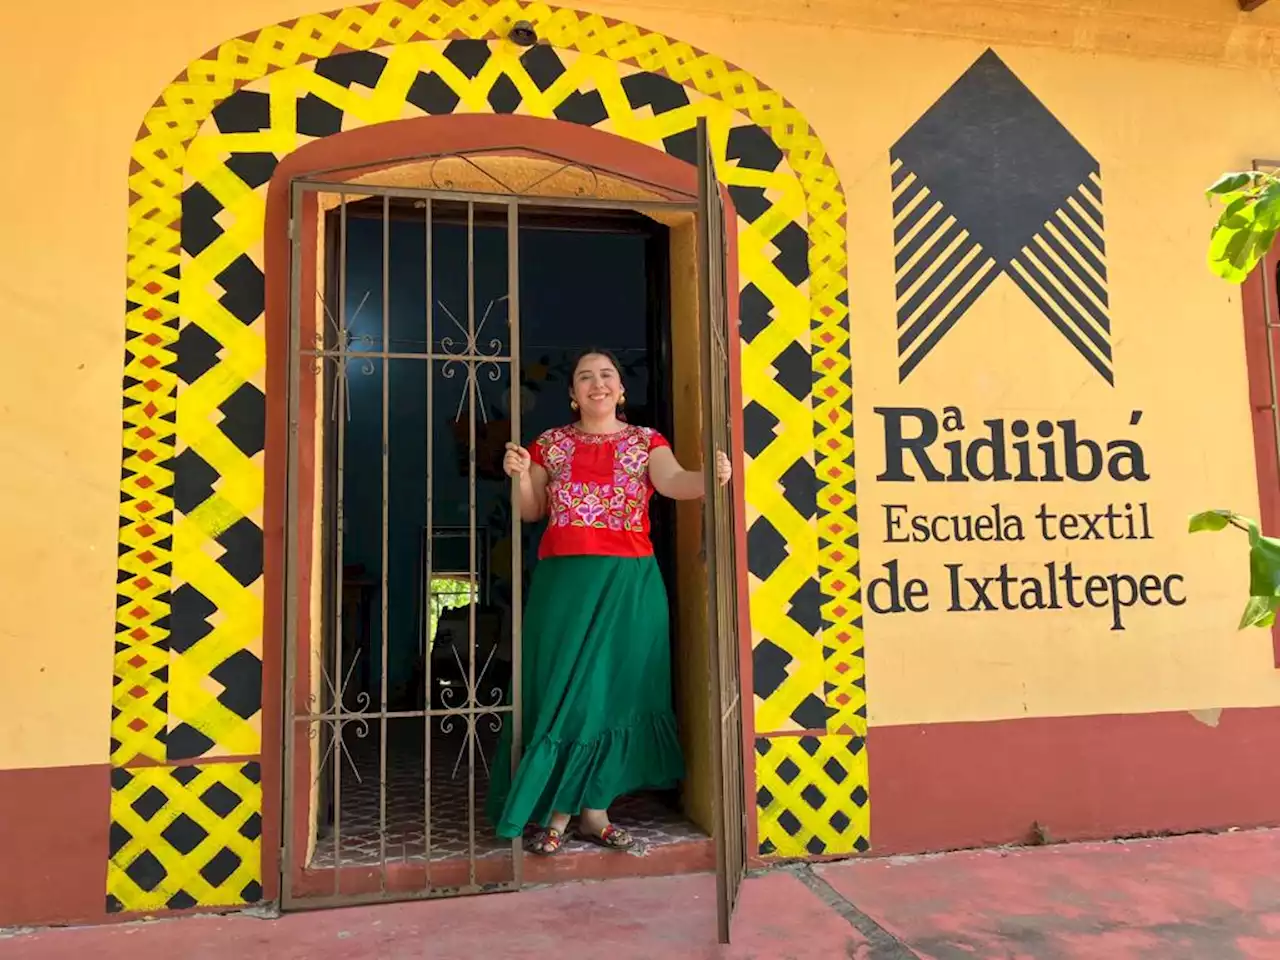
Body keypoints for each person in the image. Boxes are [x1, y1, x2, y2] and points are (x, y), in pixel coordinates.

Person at [485, 348, 731, 855]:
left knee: (611, 693)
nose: (597, 384)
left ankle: (589, 813)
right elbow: (531, 512)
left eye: (607, 376)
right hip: (565, 585)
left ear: (620, 390)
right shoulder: (548, 445)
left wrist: (713, 478)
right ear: (572, 395)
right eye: (584, 377)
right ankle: (560, 809)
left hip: (629, 583)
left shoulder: (647, 442)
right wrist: (518, 474)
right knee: (567, 690)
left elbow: (674, 482)